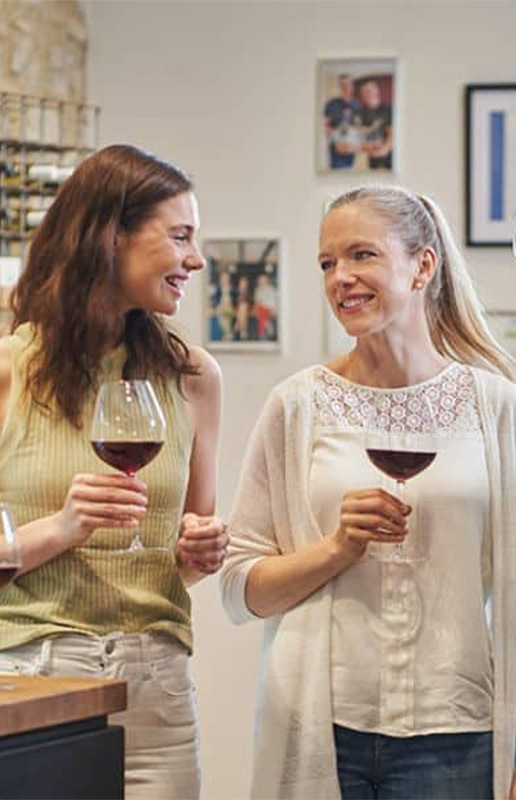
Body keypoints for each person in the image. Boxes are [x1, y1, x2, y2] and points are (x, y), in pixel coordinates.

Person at [220, 186, 516, 799]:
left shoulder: (497, 407)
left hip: (456, 733)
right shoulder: (297, 406)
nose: (341, 278)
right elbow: (241, 591)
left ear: (422, 265)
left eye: (361, 256)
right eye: (327, 263)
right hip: (321, 729)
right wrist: (337, 548)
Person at [0, 144, 228, 799]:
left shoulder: (192, 377)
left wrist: (199, 548)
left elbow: (179, 555)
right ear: (110, 237)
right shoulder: (10, 371)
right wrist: (62, 529)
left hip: (157, 685)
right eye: (180, 236)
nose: (196, 259)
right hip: (34, 679)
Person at [323, 74, 362, 170]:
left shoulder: (357, 105)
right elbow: (325, 125)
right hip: (337, 147)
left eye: (349, 84)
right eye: (344, 85)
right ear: (340, 86)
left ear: (352, 86)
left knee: (350, 171)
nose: (347, 87)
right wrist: (336, 139)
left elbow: (359, 125)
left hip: (351, 146)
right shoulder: (332, 104)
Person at [358, 80, 393, 170]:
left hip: (390, 160)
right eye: (364, 92)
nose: (367, 94)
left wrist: (384, 149)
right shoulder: (361, 113)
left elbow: (393, 134)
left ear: (376, 91)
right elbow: (360, 136)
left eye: (369, 91)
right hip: (372, 160)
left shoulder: (388, 110)